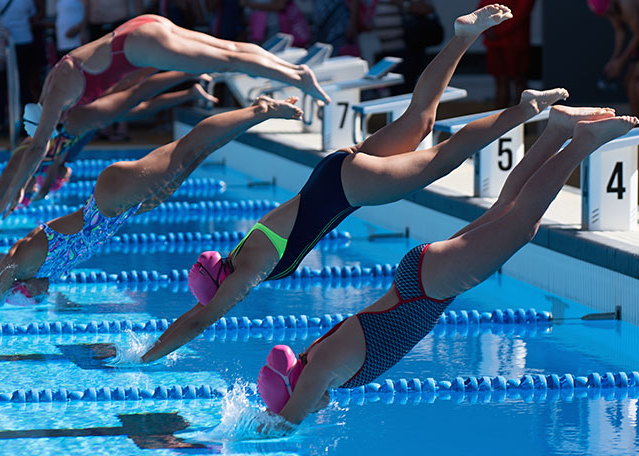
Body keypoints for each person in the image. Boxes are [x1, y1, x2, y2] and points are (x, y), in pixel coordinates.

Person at [139, 5, 571, 363]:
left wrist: (148, 357)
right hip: (333, 172)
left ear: (223, 283)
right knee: (420, 117)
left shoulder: (250, 267)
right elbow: (198, 309)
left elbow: (201, 318)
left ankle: (524, 109)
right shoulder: (241, 251)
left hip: (346, 190)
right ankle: (463, 37)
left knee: (443, 158)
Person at [256, 107, 635, 427]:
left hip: (426, 289)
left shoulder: (319, 370)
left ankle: (583, 142)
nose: (315, 406)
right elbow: (300, 407)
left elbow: (288, 423)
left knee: (522, 224)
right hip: (421, 280)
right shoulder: (315, 361)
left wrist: (257, 430)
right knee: (506, 209)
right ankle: (557, 130)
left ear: (296, 388)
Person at [0, 96, 302, 308]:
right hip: (119, 211)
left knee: (186, 148)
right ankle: (254, 117)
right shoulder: (40, 272)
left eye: (30, 296)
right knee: (197, 156)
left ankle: (260, 109)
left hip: (109, 200)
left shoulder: (18, 263)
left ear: (18, 287)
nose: (38, 295)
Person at [0, 13, 331, 218]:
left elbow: (37, 149)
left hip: (138, 45)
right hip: (140, 28)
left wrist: (15, 191)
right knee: (230, 50)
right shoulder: (55, 82)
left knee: (227, 61)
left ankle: (296, 76)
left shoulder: (60, 97)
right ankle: (294, 71)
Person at [0, 71, 218, 228]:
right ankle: (189, 90)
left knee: (132, 95)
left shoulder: (25, 158)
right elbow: (52, 170)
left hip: (77, 123)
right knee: (137, 108)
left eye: (28, 192)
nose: (31, 193)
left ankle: (184, 70)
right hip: (78, 132)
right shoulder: (38, 165)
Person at [0, 0, 39, 136]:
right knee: (23, 85)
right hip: (24, 41)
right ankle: (28, 125)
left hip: (0, 42)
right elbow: (33, 15)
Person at [478, 0, 536, 108]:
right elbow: (483, 7)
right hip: (495, 42)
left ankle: (523, 116)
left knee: (518, 79)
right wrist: (487, 27)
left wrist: (497, 30)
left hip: (515, 41)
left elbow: (522, 11)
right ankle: (500, 116)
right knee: (500, 80)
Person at [589, 0, 639, 115]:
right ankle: (635, 122)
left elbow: (638, 34)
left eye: (608, 12)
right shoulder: (612, 11)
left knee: (635, 85)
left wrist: (620, 62)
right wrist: (614, 60)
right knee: (628, 84)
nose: (609, 16)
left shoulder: (626, 5)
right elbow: (621, 32)